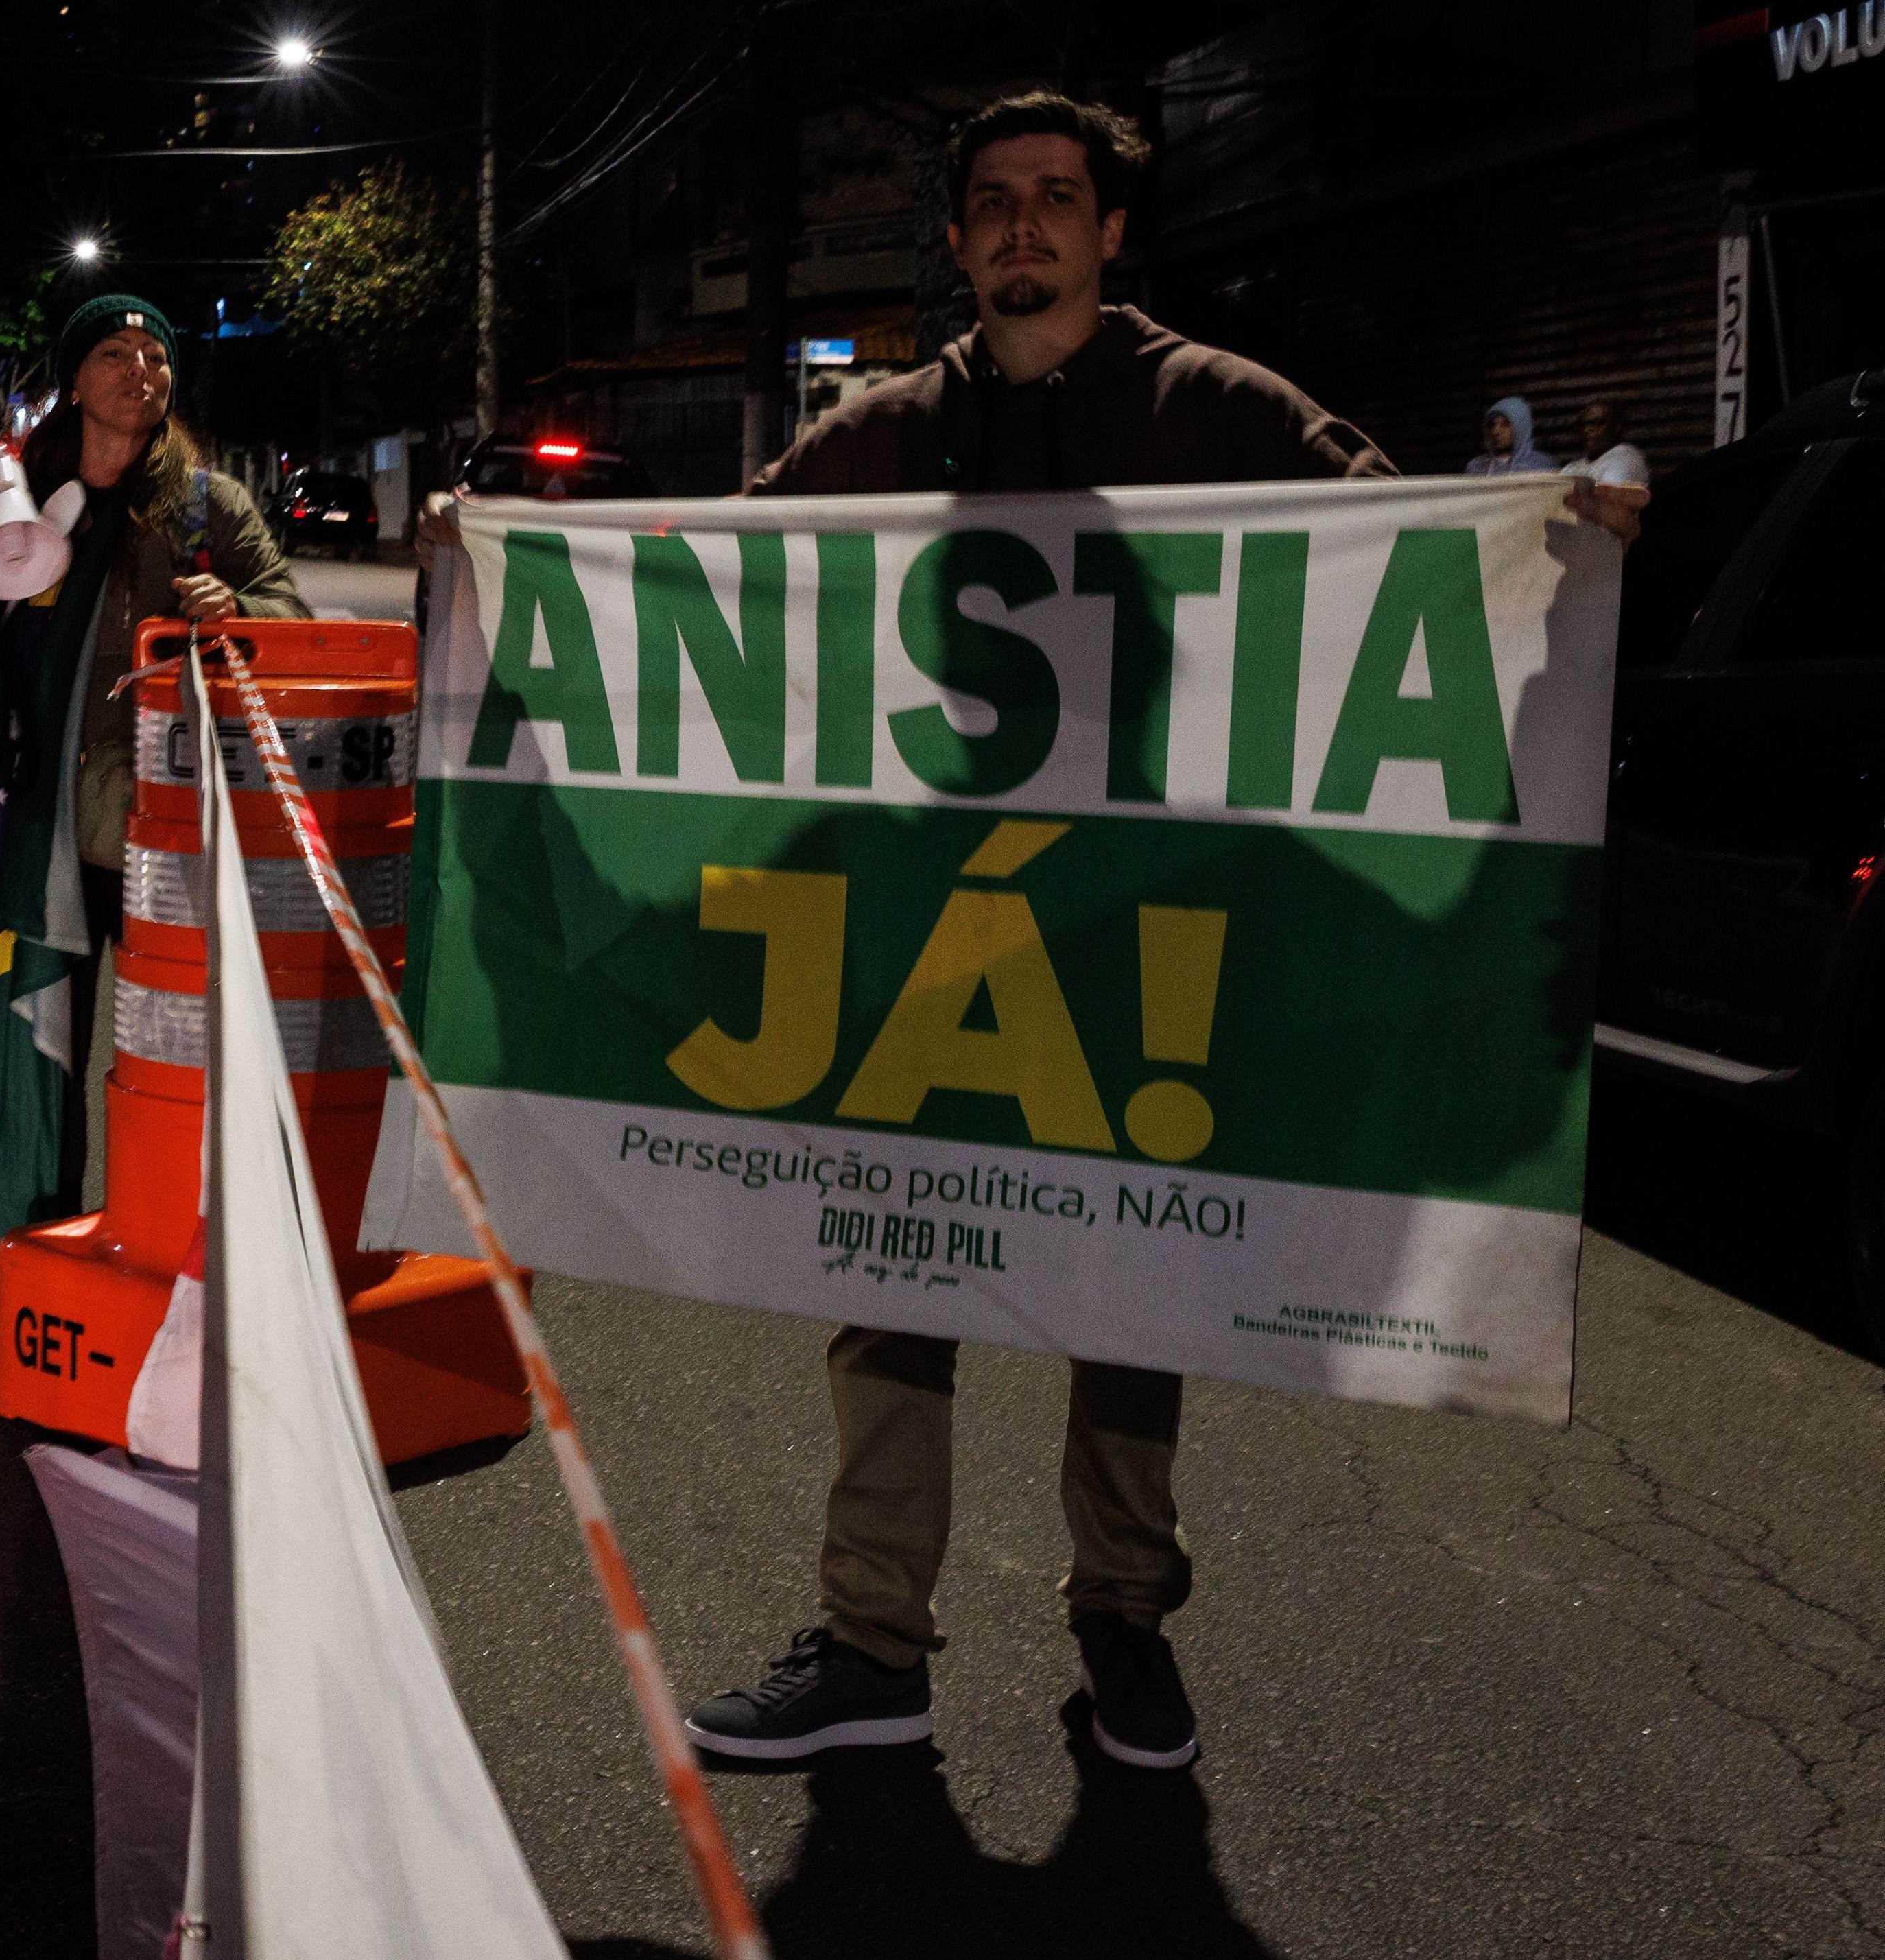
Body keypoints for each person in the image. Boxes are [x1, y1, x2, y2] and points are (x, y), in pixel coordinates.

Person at [687, 91, 1411, 1778]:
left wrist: (1559, 538)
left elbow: (1406, 545)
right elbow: (700, 568)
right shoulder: (882, 429)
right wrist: (491, 558)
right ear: (954, 241)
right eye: (993, 204)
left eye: (1057, 200)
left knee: (1134, 1280)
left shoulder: (1212, 405)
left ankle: (1123, 1625)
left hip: (1136, 928)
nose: (1023, 227)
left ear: (1108, 233)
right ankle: (872, 1644)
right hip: (923, 933)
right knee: (886, 1270)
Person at [0, 294, 309, 1360]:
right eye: (114, 353)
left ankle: (171, 1293)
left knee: (173, 1074)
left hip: (169, 836)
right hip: (44, 829)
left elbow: (290, 615)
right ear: (73, 381)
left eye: (154, 354)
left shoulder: (205, 504)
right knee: (36, 1058)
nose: (140, 367)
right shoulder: (29, 500)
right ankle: (20, 1290)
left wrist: (235, 610)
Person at [1466, 395, 1561, 475]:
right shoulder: (1476, 467)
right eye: (1492, 424)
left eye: (1506, 424)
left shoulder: (1544, 465)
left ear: (1521, 427)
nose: (1495, 431)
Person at [1563, 398, 1650, 486]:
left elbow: (1606, 497)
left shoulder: (1626, 458)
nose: (1588, 430)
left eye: (1597, 423)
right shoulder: (1574, 467)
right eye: (1584, 424)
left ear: (1617, 428)